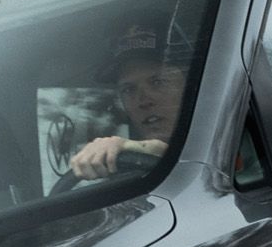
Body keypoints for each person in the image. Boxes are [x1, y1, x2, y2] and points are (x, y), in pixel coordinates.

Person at [70, 19, 188, 180]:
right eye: (128, 89)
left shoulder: (230, 138)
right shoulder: (122, 172)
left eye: (157, 82)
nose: (144, 100)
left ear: (189, 86)